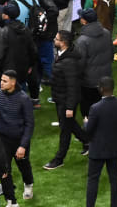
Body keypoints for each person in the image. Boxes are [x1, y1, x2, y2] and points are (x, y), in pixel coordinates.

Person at [42, 30, 87, 170]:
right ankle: (88, 141)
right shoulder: (63, 55)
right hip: (61, 98)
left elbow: (73, 86)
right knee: (69, 124)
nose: (54, 40)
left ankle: (59, 158)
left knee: (65, 130)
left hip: (66, 101)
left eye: (56, 39)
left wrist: (69, 107)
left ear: (63, 43)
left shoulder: (69, 62)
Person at [0, 70, 35, 205]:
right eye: (1, 80)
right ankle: (11, 201)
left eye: (4, 81)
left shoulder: (23, 99)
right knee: (3, 169)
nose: (1, 83)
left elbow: (29, 124)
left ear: (13, 82)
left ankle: (28, 184)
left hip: (20, 140)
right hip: (3, 139)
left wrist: (23, 145)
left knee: (23, 165)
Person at [84, 77, 117, 207]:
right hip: (115, 148)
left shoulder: (95, 108)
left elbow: (89, 130)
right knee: (115, 178)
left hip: (98, 149)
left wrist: (86, 123)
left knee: (93, 179)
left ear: (101, 89)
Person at [74, 8, 112, 122]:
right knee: (103, 105)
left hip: (88, 82)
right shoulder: (106, 32)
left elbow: (79, 63)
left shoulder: (82, 40)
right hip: (105, 77)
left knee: (88, 109)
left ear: (84, 21)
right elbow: (111, 53)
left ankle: (89, 130)